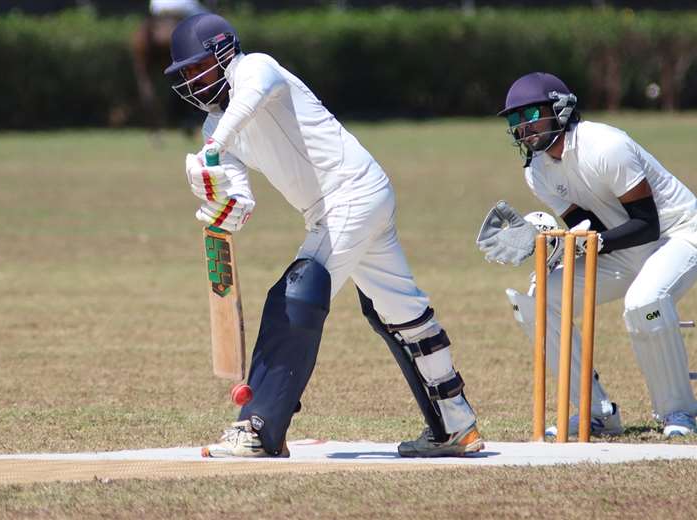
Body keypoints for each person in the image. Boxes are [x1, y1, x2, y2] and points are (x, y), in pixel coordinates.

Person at [164, 13, 484, 457]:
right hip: (343, 204)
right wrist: (219, 202)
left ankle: (258, 428)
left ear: (223, 53)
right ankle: (456, 424)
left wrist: (214, 150)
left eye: (199, 68)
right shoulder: (213, 128)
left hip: (349, 192)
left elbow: (250, 101)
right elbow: (240, 205)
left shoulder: (256, 67)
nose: (194, 81)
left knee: (296, 293)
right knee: (399, 311)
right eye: (186, 75)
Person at [477, 71, 697, 438]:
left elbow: (646, 224)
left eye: (531, 115)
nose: (524, 128)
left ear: (560, 109)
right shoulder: (538, 172)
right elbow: (586, 225)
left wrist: (581, 244)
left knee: (644, 302)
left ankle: (680, 412)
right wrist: (549, 245)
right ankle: (597, 412)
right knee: (539, 299)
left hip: (677, 234)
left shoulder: (605, 145)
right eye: (515, 121)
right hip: (625, 244)